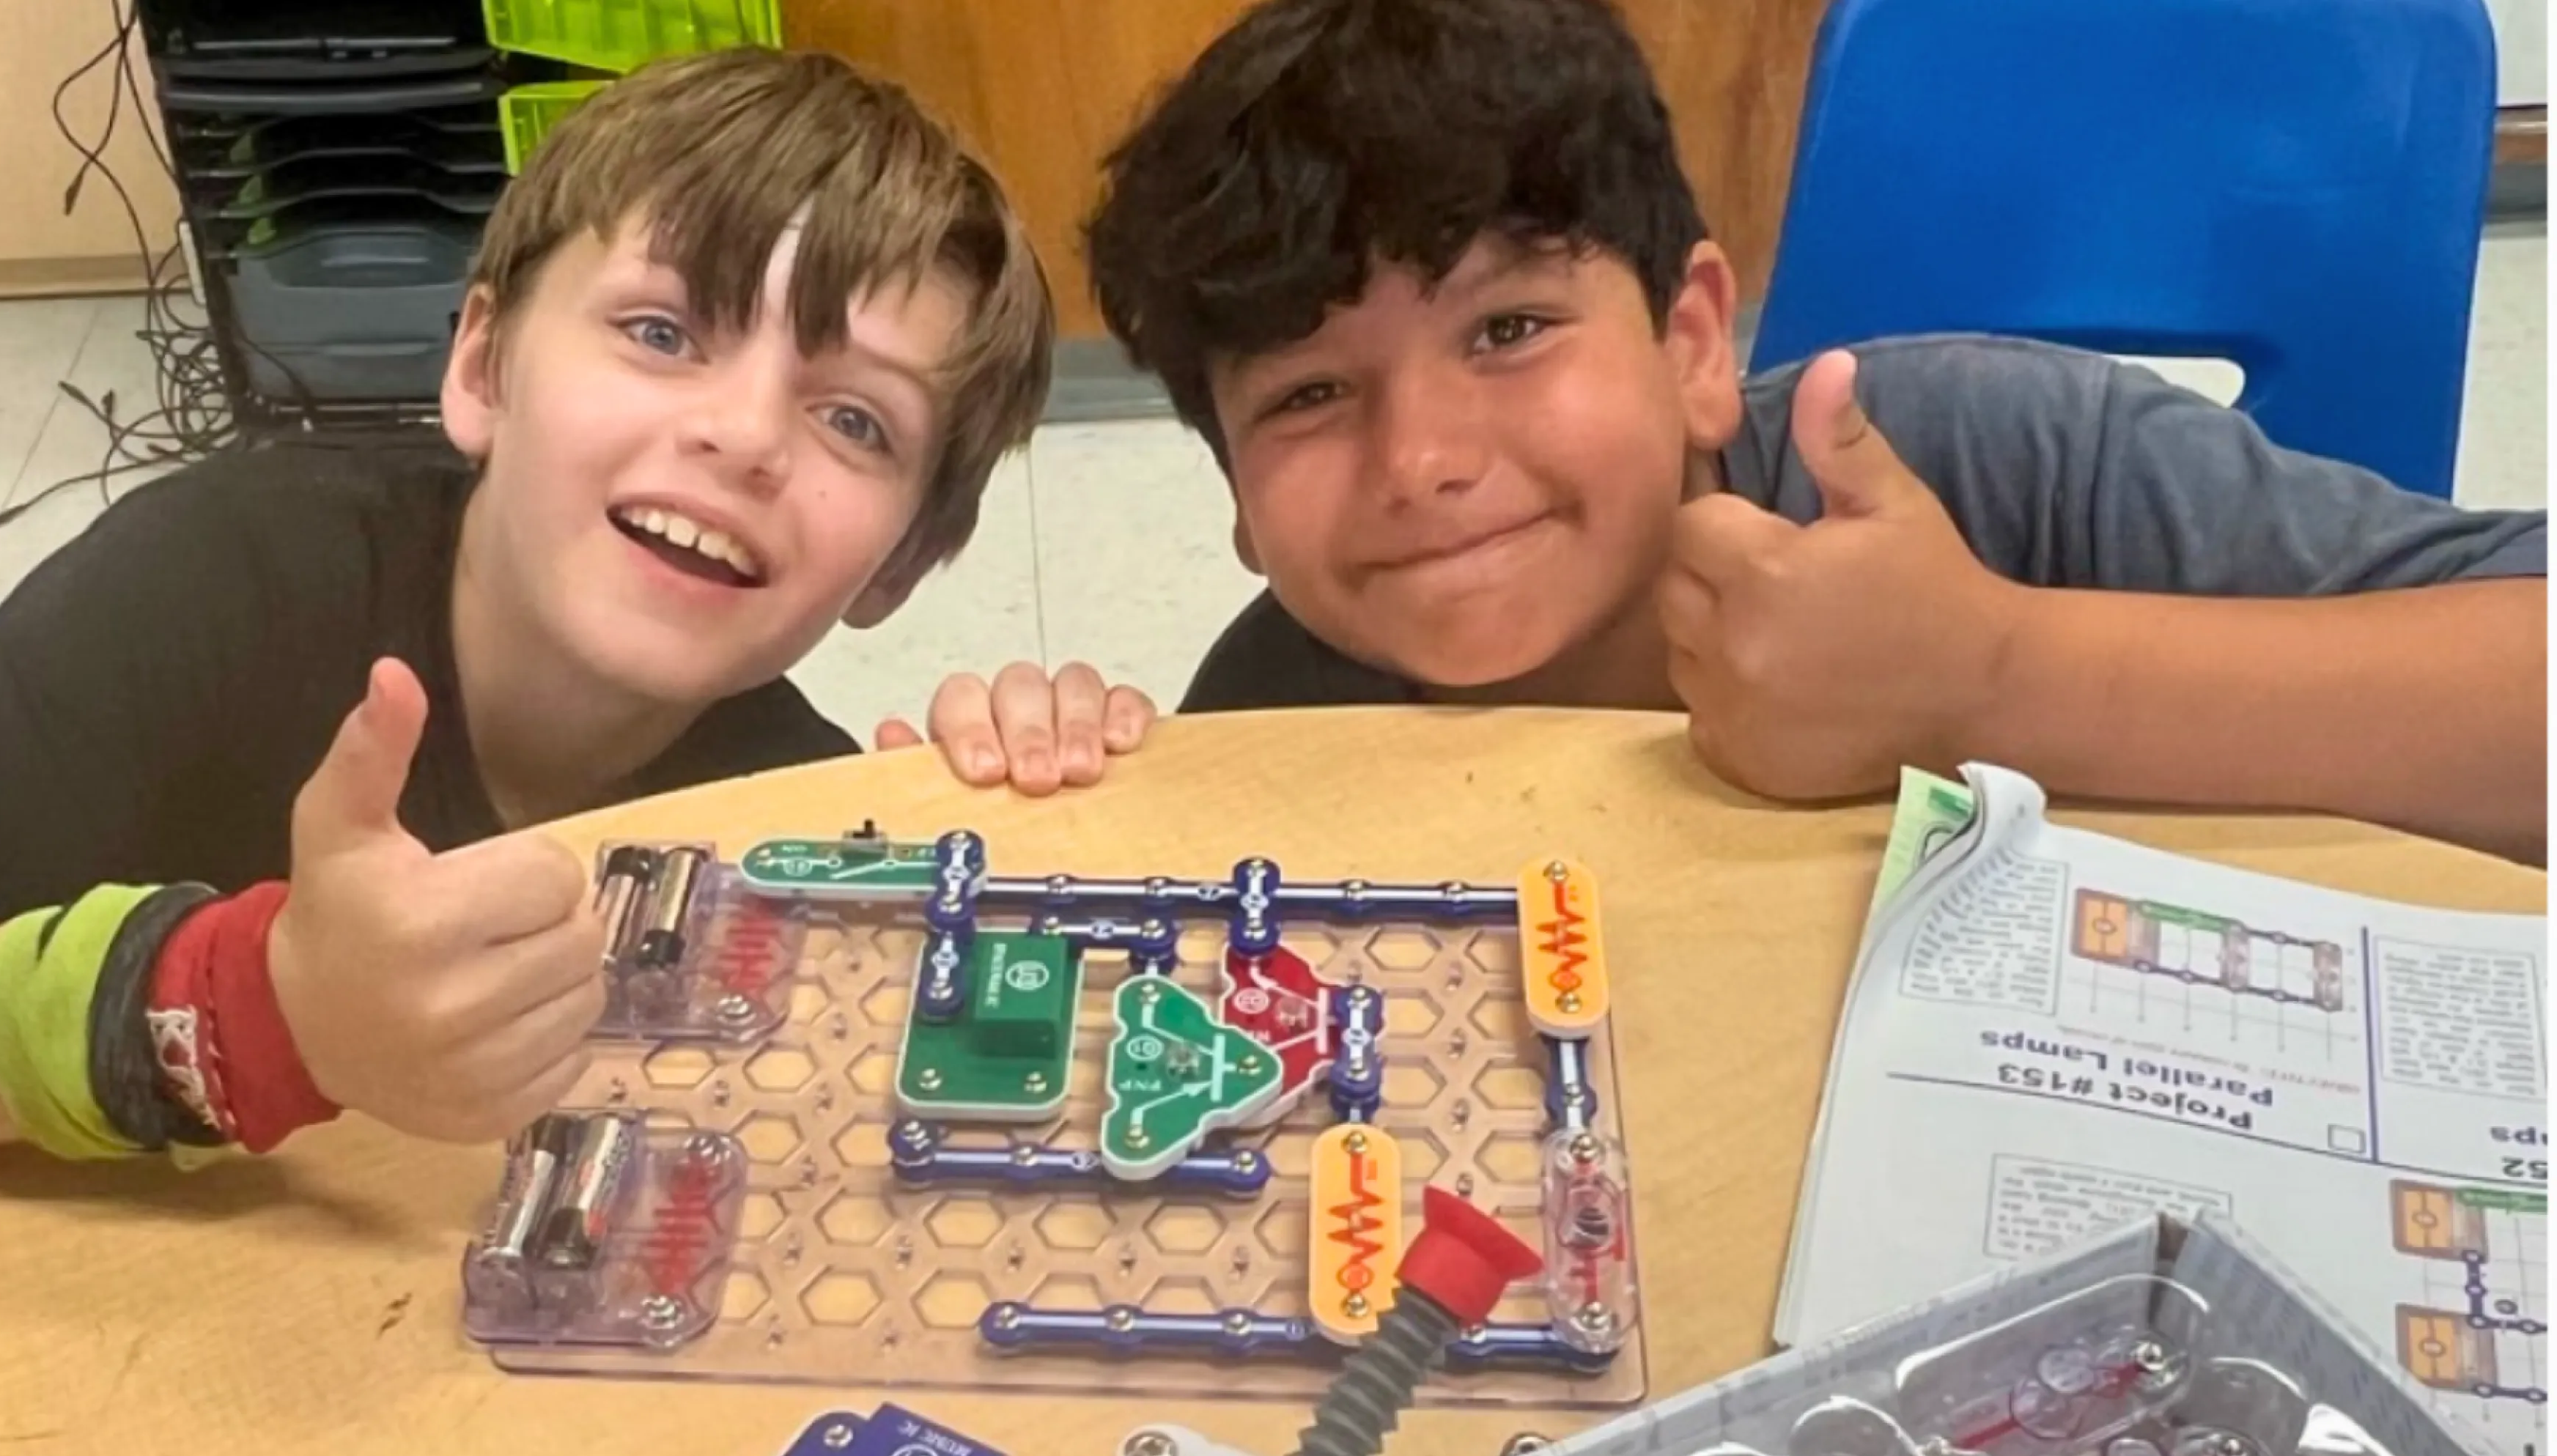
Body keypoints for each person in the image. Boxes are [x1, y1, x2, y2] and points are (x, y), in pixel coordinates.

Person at [0, 48, 1143, 1182]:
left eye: (853, 420)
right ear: (480, 364)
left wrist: (1036, 813)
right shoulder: (226, 575)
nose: (745, 436)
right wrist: (251, 1014)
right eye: (662, 333)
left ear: (902, 565)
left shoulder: (784, 808)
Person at [959, 0, 2544, 861]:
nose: (1423, 461)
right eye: (1307, 395)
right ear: (1231, 491)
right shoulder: (1276, 717)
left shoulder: (1983, 455)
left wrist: (1990, 676)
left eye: (1508, 329)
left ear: (1695, 341)